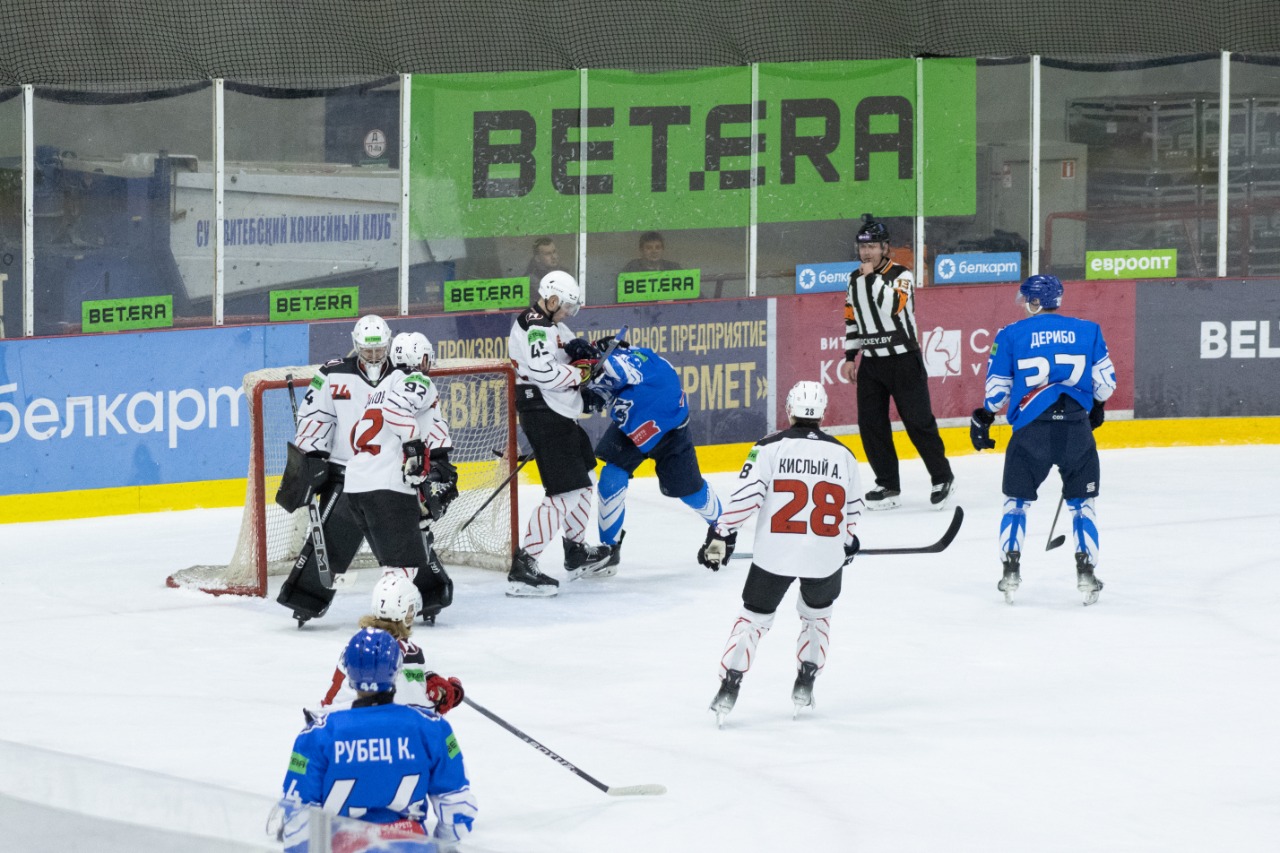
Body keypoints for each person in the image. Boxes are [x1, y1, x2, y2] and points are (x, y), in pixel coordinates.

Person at [698, 381, 863, 725]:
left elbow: (747, 496)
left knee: (753, 619)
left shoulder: (768, 448)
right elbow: (853, 508)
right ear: (823, 413)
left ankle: (730, 683)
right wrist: (847, 541)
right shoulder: (845, 455)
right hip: (824, 556)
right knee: (817, 617)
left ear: (789, 410)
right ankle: (807, 677)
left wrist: (721, 533)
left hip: (775, 553)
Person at [970, 274, 1117, 606]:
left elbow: (996, 393)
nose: (1023, 304)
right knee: (1082, 505)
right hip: (1075, 430)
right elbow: (1106, 384)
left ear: (1036, 302)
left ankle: (1010, 569)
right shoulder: (1089, 330)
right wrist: (1096, 406)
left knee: (1016, 503)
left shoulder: (1010, 334)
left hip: (1031, 432)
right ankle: (1086, 572)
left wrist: (986, 416)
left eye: (1027, 299)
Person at [281, 627, 477, 852]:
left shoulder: (317, 735)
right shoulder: (431, 727)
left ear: (349, 673)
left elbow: (297, 820)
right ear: (397, 670)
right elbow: (457, 805)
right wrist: (442, 846)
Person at [277, 314, 397, 626]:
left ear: (389, 344)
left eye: (379, 349)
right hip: (345, 470)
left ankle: (426, 593)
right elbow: (314, 416)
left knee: (405, 537)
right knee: (331, 537)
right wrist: (313, 455)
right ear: (356, 345)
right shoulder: (331, 373)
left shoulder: (403, 374)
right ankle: (305, 598)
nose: (374, 356)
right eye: (368, 350)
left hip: (390, 472)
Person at [506, 270, 612, 596]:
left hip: (561, 413)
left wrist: (590, 350)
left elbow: (566, 354)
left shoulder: (553, 324)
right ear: (552, 300)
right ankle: (524, 564)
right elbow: (545, 373)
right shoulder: (534, 327)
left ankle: (575, 551)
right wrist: (581, 374)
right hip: (543, 414)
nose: (568, 313)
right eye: (566, 306)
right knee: (564, 493)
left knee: (584, 482)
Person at [839, 215, 954, 511]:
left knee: (918, 422)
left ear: (885, 248)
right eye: (863, 247)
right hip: (872, 364)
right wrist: (850, 356)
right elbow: (852, 318)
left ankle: (942, 477)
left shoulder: (902, 275)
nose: (866, 252)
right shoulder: (853, 279)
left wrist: (871, 278)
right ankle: (888, 484)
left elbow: (893, 306)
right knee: (872, 426)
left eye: (872, 246)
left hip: (904, 360)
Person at [581, 337, 724, 572]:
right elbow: (602, 389)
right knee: (611, 479)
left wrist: (596, 370)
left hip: (669, 429)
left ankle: (723, 530)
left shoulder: (632, 362)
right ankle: (609, 551)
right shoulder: (614, 362)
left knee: (691, 493)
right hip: (632, 426)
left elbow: (619, 370)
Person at [344, 332, 458, 623]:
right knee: (401, 568)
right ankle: (388, 628)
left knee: (394, 566)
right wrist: (413, 446)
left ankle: (390, 623)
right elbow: (396, 411)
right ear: (420, 357)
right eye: (427, 357)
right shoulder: (417, 380)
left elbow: (359, 433)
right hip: (388, 489)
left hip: (357, 486)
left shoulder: (381, 387)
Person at [318, 575, 465, 714]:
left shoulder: (357, 642)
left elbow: (332, 699)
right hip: (370, 726)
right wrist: (444, 696)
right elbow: (418, 712)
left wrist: (427, 679)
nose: (413, 614)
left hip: (336, 721)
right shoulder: (408, 653)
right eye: (411, 608)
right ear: (404, 611)